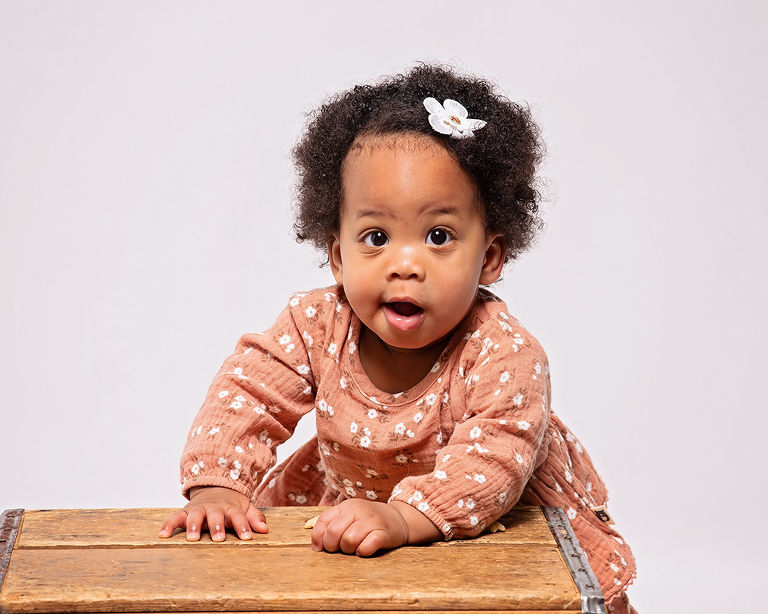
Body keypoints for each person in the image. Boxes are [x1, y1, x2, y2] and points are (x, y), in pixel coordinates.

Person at [159, 64, 637, 613]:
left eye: (438, 237)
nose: (404, 264)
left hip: (486, 514)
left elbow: (497, 457)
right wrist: (218, 486)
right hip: (360, 507)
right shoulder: (317, 323)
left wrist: (407, 517)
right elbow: (248, 392)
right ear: (338, 255)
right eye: (376, 237)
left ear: (490, 257)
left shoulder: (503, 352)